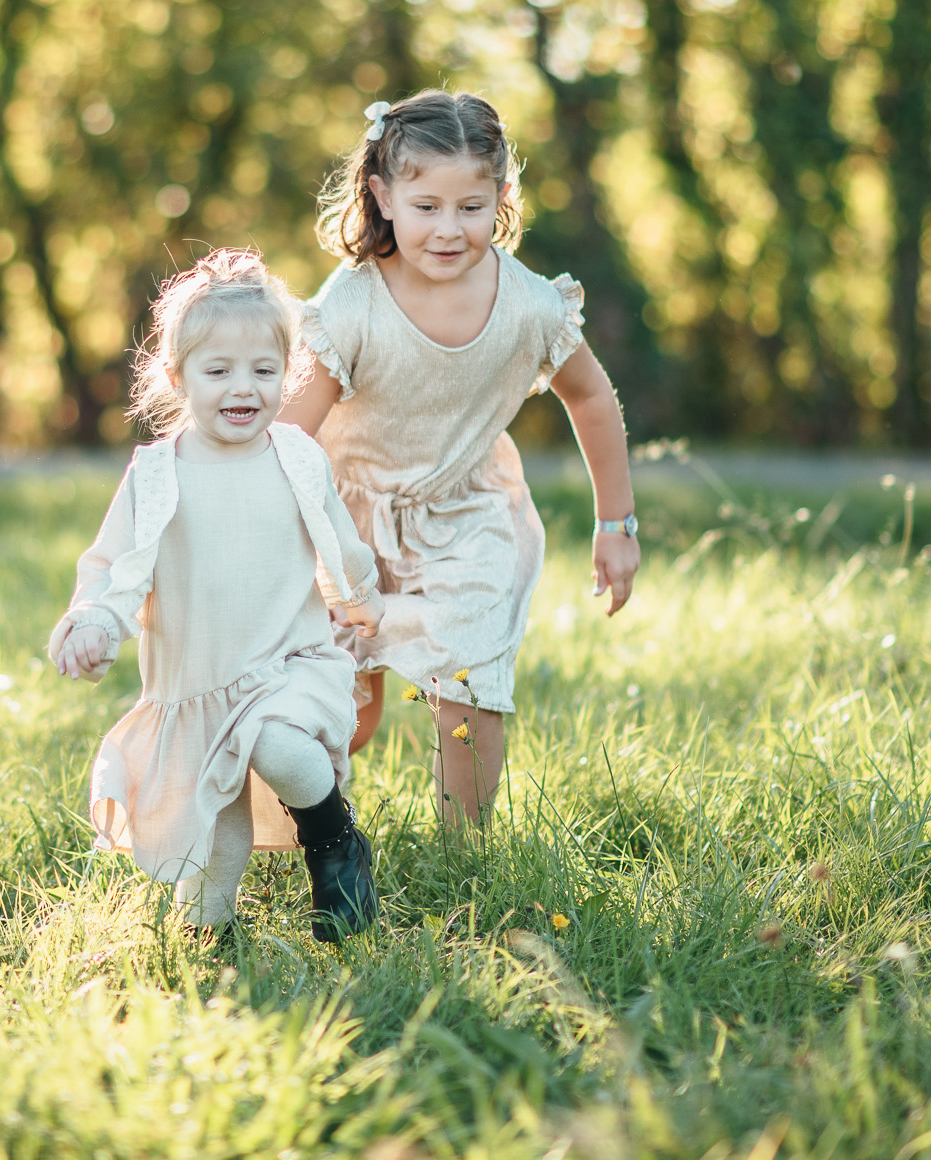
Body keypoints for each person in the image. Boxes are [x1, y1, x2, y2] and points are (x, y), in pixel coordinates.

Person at [284, 89, 641, 827]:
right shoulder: (353, 304)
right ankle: (317, 838)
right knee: (344, 702)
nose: (449, 230)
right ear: (383, 196)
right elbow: (292, 433)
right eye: (426, 207)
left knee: (470, 682)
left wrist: (617, 525)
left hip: (467, 511)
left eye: (471, 208)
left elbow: (592, 399)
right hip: (347, 519)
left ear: (502, 196)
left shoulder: (530, 306)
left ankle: (464, 857)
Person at [47, 249, 385, 941]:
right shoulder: (157, 474)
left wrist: (361, 601)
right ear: (178, 377)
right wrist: (92, 623)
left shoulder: (295, 455)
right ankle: (213, 944)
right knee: (211, 862)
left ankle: (335, 844)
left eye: (264, 371)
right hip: (201, 691)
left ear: (285, 375)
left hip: (289, 665)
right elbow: (115, 566)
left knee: (279, 745)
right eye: (219, 371)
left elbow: (339, 540)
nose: (244, 388)